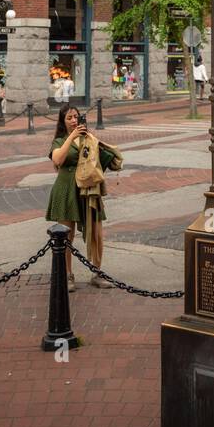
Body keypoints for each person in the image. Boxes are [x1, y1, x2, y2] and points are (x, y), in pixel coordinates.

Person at [46, 105, 122, 290]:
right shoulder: (59, 141)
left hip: (89, 191)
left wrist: (106, 151)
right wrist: (72, 137)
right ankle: (67, 275)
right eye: (69, 118)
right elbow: (57, 160)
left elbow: (102, 162)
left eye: (76, 117)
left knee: (97, 233)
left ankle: (97, 273)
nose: (74, 120)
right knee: (66, 236)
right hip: (66, 190)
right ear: (63, 122)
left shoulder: (88, 139)